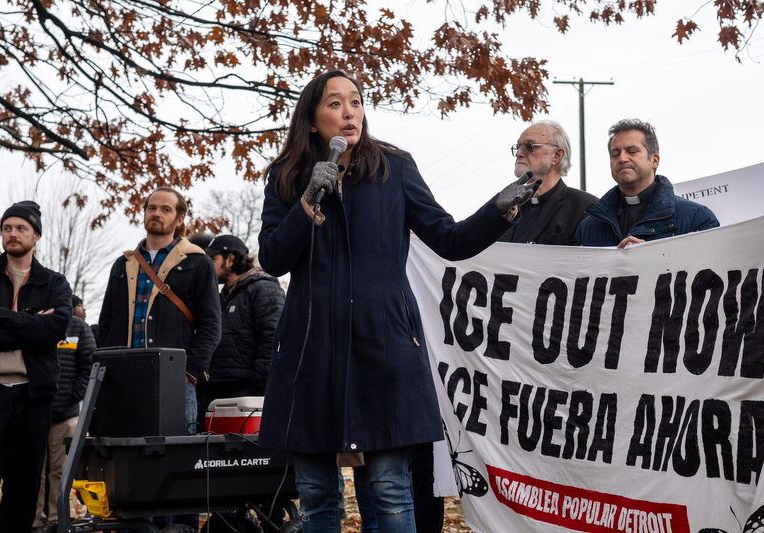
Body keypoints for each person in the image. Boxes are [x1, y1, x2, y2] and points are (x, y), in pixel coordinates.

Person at [257, 70, 541, 531]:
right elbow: (271, 258)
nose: (349, 112)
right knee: (315, 495)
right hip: (310, 355)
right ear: (311, 120)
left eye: (356, 101)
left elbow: (448, 239)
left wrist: (498, 211)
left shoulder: (395, 168)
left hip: (383, 347)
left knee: (388, 490)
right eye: (334, 103)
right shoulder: (287, 176)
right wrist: (307, 201)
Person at [0, 201, 72, 533]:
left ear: (36, 235)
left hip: (33, 397)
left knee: (23, 486)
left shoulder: (54, 283)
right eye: (7, 228)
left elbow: (55, 328)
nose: (12, 234)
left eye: (21, 228)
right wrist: (29, 323)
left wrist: (1, 317)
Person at [97, 186, 222, 434]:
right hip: (123, 378)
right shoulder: (122, 264)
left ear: (179, 218)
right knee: (124, 460)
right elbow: (105, 323)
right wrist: (108, 364)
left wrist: (189, 372)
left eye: (166, 209)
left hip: (174, 379)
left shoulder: (198, 262)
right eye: (151, 208)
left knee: (174, 460)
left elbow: (211, 325)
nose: (157, 213)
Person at [575, 118, 719, 247]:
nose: (622, 158)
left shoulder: (697, 218)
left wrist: (653, 256)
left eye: (632, 151)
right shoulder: (587, 228)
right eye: (615, 154)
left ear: (654, 160)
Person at [196, 234, 284, 428]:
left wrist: (256, 386)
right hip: (216, 395)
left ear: (230, 259)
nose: (207, 266)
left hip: (248, 398)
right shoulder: (218, 298)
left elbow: (274, 339)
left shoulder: (264, 290)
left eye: (212, 259)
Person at [32, 295, 95, 533]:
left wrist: (73, 395)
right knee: (34, 469)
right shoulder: (36, 324)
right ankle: (35, 520)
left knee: (60, 471)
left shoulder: (79, 328)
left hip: (65, 413)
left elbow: (89, 363)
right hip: (35, 411)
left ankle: (56, 519)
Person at [498, 120, 597, 245]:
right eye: (518, 147)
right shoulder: (507, 209)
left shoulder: (586, 208)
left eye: (529, 146)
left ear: (557, 155)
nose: (518, 153)